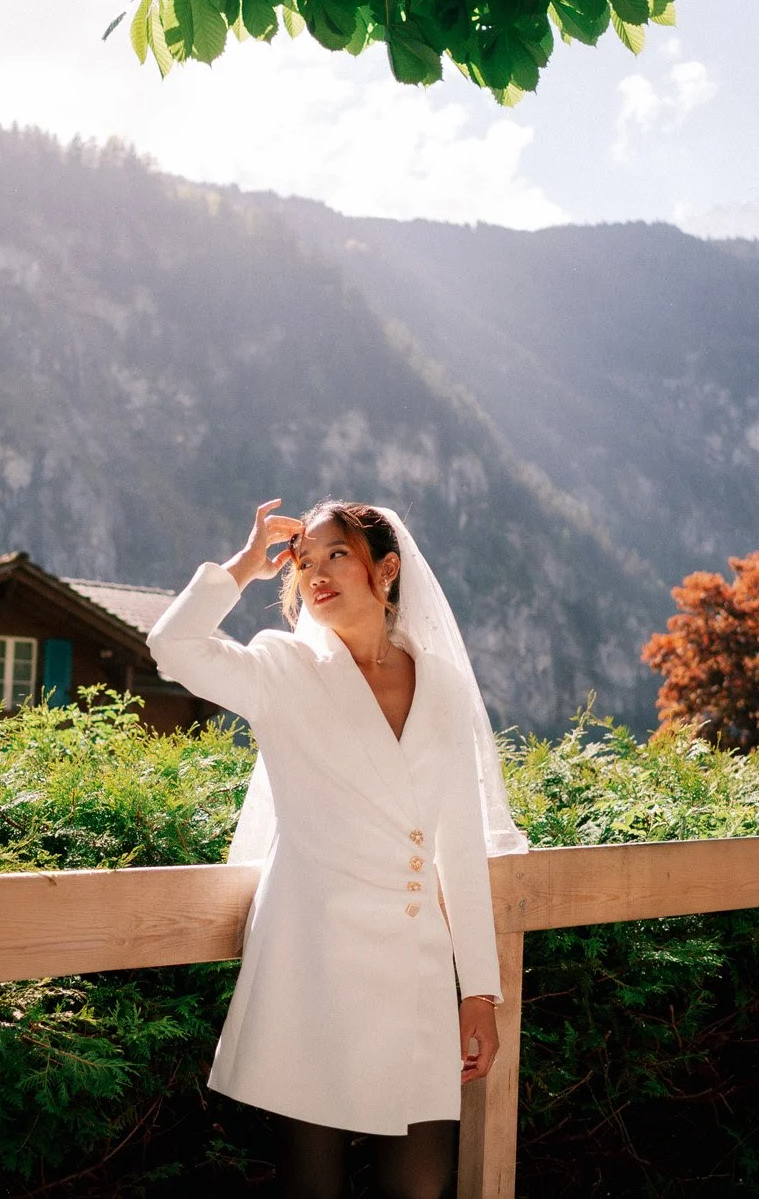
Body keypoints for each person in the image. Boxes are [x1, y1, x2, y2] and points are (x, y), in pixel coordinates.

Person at [146, 498, 527, 1199]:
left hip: (414, 970)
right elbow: (173, 647)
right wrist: (242, 565)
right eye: (304, 560)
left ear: (385, 569)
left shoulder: (439, 682)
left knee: (419, 1185)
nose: (316, 573)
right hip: (314, 965)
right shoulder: (281, 666)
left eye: (336, 555)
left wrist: (478, 989)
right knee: (311, 1186)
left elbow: (459, 845)